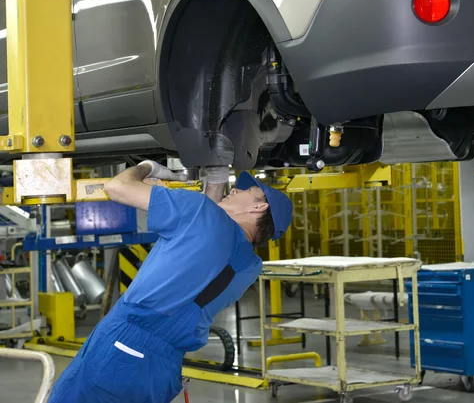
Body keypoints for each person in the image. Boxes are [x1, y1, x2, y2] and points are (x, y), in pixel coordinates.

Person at [48, 161, 293, 403]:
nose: (236, 189)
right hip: (163, 370)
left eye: (247, 191)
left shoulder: (200, 213)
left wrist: (147, 168)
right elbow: (211, 224)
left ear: (258, 207)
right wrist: (214, 181)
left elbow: (117, 186)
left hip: (120, 351)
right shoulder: (250, 266)